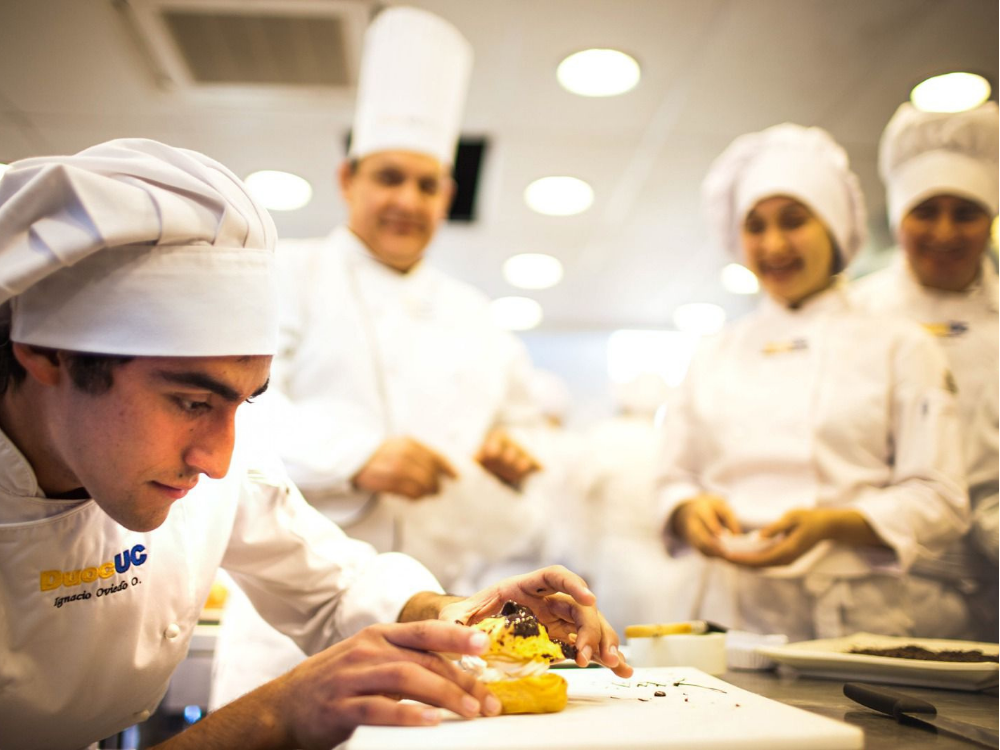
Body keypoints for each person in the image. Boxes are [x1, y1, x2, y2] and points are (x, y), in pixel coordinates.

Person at [0, 139, 629, 750]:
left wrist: (464, 613)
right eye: (191, 403)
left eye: (246, 403)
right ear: (48, 353)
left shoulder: (210, 471)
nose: (219, 461)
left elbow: (335, 584)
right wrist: (273, 714)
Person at [211, 5, 551, 706]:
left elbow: (531, 433)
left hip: (444, 614)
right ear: (348, 179)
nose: (407, 200)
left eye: (427, 185)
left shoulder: (476, 316)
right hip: (290, 622)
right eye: (389, 177)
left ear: (447, 196)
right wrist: (355, 456)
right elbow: (232, 411)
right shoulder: (285, 273)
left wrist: (515, 459)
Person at [657, 124, 969, 641]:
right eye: (755, 226)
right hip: (726, 609)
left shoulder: (900, 344)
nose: (773, 244)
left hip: (852, 615)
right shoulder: (714, 351)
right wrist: (688, 511)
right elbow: (673, 477)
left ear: (834, 227)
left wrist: (833, 524)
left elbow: (940, 496)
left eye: (794, 220)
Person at [851, 102, 998, 640]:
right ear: (897, 219)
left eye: (965, 213)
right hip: (879, 587)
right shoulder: (855, 315)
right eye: (926, 211)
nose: (944, 231)